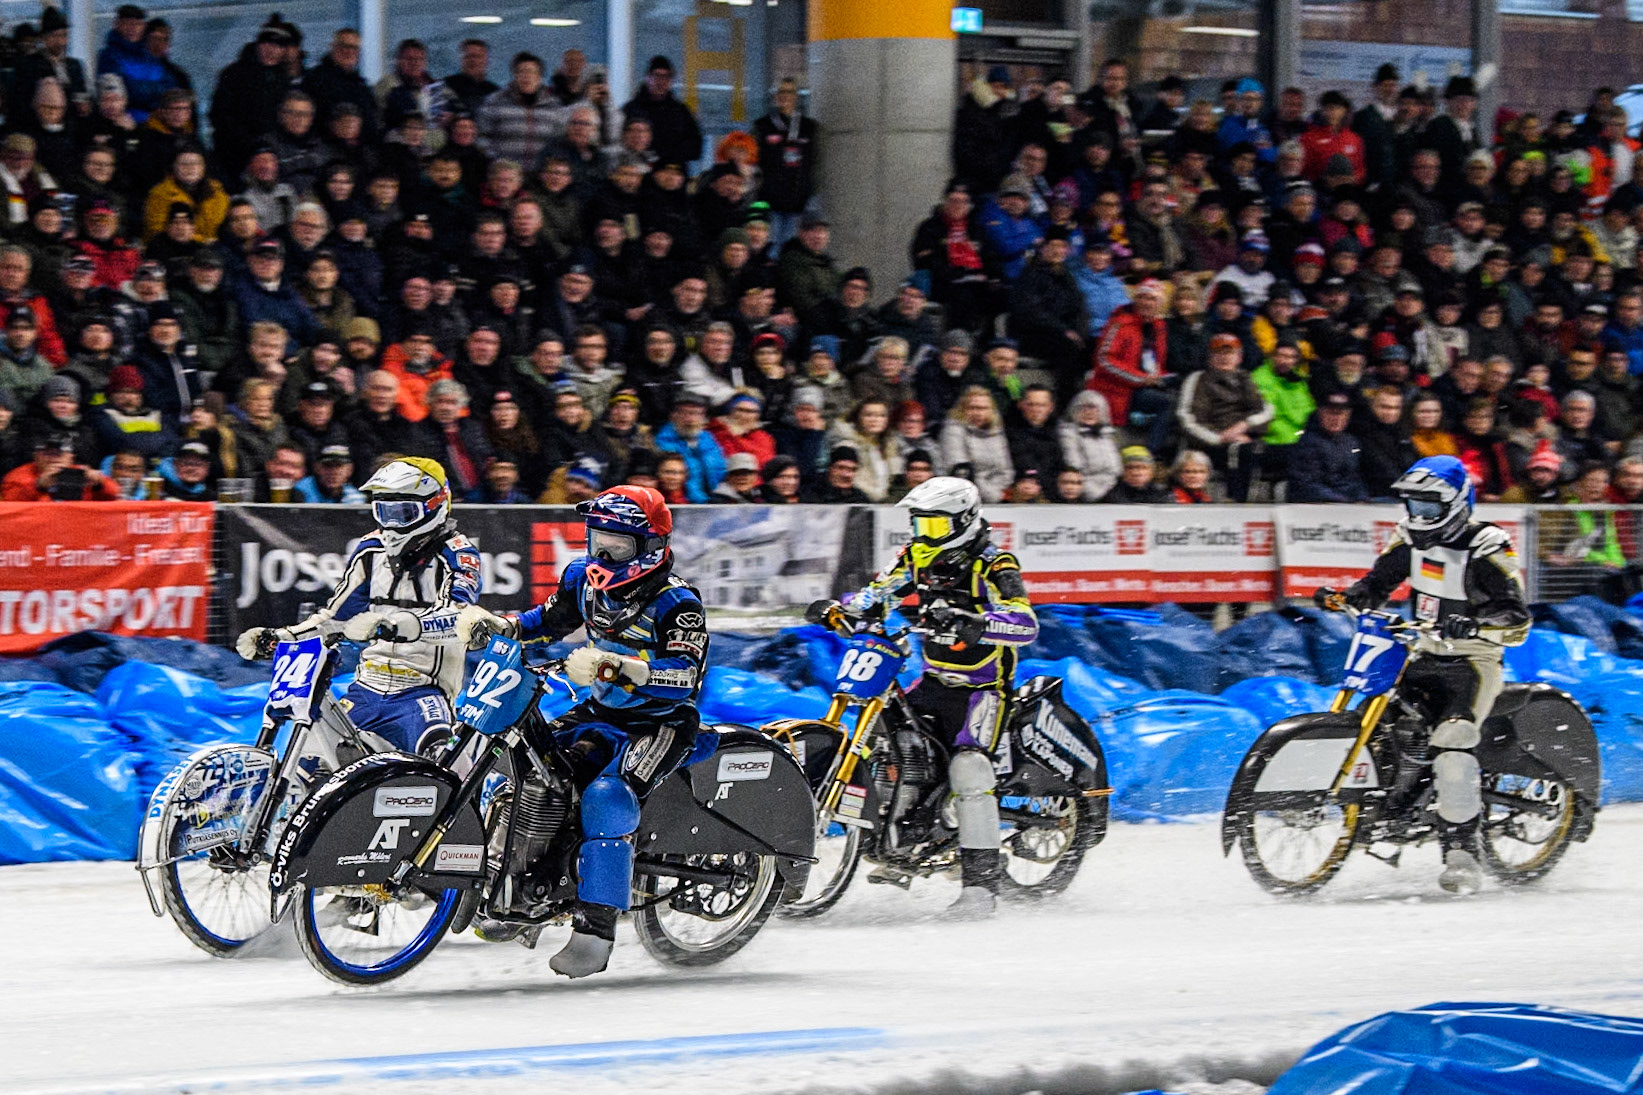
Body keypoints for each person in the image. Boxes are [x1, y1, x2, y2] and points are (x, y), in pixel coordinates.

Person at [460, 486, 708, 978]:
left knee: (606, 800)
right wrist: (499, 625)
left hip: (661, 720)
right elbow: (546, 622)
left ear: (650, 547)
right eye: (597, 539)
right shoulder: (582, 580)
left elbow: (686, 673)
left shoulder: (677, 602)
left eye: (617, 545)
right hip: (600, 711)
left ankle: (595, 931)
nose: (601, 554)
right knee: (531, 771)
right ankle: (519, 891)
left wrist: (621, 667)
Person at [827, 477, 1038, 919]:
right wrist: (841, 608)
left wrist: (976, 623)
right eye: (918, 524)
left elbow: (1026, 624)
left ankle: (981, 888)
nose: (924, 536)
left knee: (969, 768)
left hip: (982, 689)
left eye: (935, 527)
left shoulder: (993, 563)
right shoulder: (916, 555)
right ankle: (904, 838)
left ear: (963, 520)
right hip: (935, 680)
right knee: (889, 742)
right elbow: (878, 592)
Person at [1319, 455, 1529, 896]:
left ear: (1455, 504)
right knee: (1379, 717)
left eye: (1429, 508)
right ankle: (1388, 805)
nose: (1418, 517)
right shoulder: (1409, 538)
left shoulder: (1486, 544)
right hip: (1422, 650)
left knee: (1452, 741)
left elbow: (1517, 618)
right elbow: (1379, 581)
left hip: (1473, 661)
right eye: (1413, 506)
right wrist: (1352, 595)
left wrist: (1476, 623)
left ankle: (1462, 852)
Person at [234, 458, 482, 755]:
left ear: (435, 506)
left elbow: (459, 621)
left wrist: (397, 625)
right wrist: (281, 637)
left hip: (424, 691)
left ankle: (479, 800)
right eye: (382, 512)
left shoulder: (457, 555)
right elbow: (335, 619)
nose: (390, 525)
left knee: (445, 759)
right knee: (310, 760)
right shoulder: (370, 550)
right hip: (366, 689)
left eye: (402, 514)